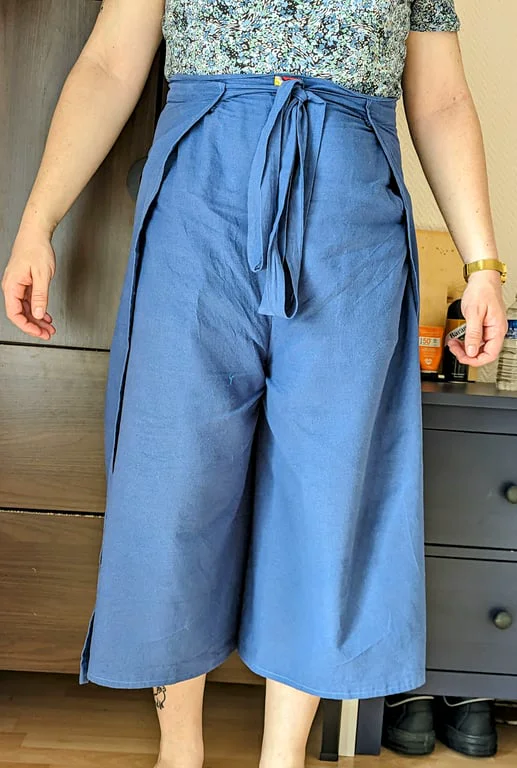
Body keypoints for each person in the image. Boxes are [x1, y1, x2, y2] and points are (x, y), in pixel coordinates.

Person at [1, 2, 508, 767]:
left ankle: (283, 758)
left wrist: (482, 265)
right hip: (197, 206)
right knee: (171, 483)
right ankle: (180, 752)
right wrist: (37, 222)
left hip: (351, 221)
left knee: (327, 495)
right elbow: (107, 64)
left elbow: (439, 99)